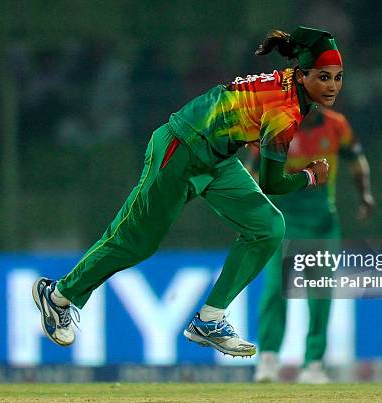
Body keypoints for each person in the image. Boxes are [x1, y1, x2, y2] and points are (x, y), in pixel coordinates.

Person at [32, 26, 344, 358]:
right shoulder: (286, 110)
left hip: (216, 158)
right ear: (302, 74)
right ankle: (58, 295)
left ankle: (209, 320)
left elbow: (247, 104)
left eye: (338, 77)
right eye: (324, 77)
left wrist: (249, 129)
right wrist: (310, 176)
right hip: (181, 148)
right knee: (135, 242)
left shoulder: (288, 84)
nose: (333, 86)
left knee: (267, 227)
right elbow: (272, 183)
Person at [249, 106, 374, 382]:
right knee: (274, 290)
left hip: (322, 227)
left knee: (320, 295)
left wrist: (365, 195)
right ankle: (268, 359)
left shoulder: (337, 125)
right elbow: (253, 173)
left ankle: (314, 364)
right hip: (285, 224)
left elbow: (357, 161)